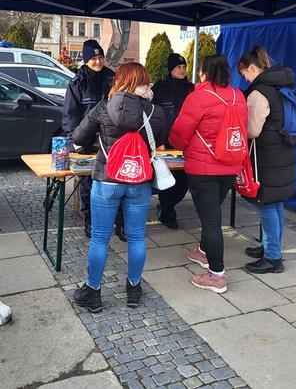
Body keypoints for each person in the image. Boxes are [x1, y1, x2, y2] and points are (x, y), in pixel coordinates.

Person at [72, 63, 165, 311]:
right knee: (136, 237)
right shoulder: (155, 110)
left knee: (100, 240)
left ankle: (93, 293)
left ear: (119, 80)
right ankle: (133, 289)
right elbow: (163, 140)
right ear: (145, 81)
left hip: (107, 179)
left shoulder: (104, 106)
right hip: (140, 181)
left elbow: (78, 137)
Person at [169, 54, 248, 293]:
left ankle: (216, 275)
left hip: (203, 167)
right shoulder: (239, 95)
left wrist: (174, 144)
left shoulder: (198, 97)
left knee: (211, 220)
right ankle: (203, 252)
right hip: (231, 164)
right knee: (212, 213)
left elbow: (180, 134)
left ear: (204, 73)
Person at [237, 46, 296, 274]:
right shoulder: (284, 85)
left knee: (265, 203)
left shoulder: (259, 92)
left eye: (244, 73)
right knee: (276, 202)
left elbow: (252, 129)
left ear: (252, 68)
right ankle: (272, 248)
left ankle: (273, 258)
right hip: (285, 151)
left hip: (267, 157)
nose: (245, 78)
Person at [62, 39, 118, 239]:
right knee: (88, 183)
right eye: (93, 58)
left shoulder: (113, 78)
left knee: (115, 180)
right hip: (86, 142)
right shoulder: (77, 83)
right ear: (86, 60)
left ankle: (118, 221)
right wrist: (74, 141)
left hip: (111, 140)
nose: (97, 61)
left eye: (100, 57)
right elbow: (70, 116)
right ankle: (90, 220)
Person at [151, 53, 194, 229]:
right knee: (167, 180)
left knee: (183, 182)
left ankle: (167, 207)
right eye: (178, 67)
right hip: (165, 143)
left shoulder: (191, 89)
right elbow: (153, 116)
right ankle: (169, 215)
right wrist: (157, 140)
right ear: (171, 69)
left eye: (184, 67)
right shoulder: (160, 88)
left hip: (185, 143)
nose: (182, 70)